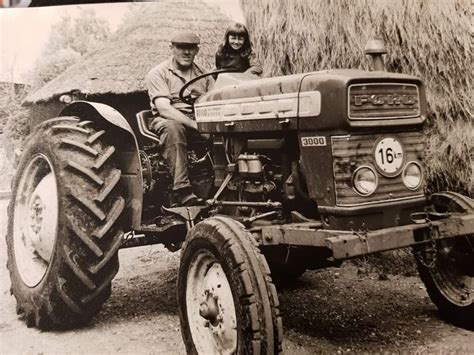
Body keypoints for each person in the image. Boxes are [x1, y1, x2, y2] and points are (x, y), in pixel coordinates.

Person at [145, 30, 213, 206]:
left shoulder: (205, 75)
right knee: (174, 128)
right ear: (172, 48)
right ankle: (182, 191)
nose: (186, 52)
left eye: (191, 48)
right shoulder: (158, 73)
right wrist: (195, 125)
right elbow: (164, 108)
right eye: (181, 48)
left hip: (198, 119)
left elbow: (214, 103)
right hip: (167, 119)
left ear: (197, 50)